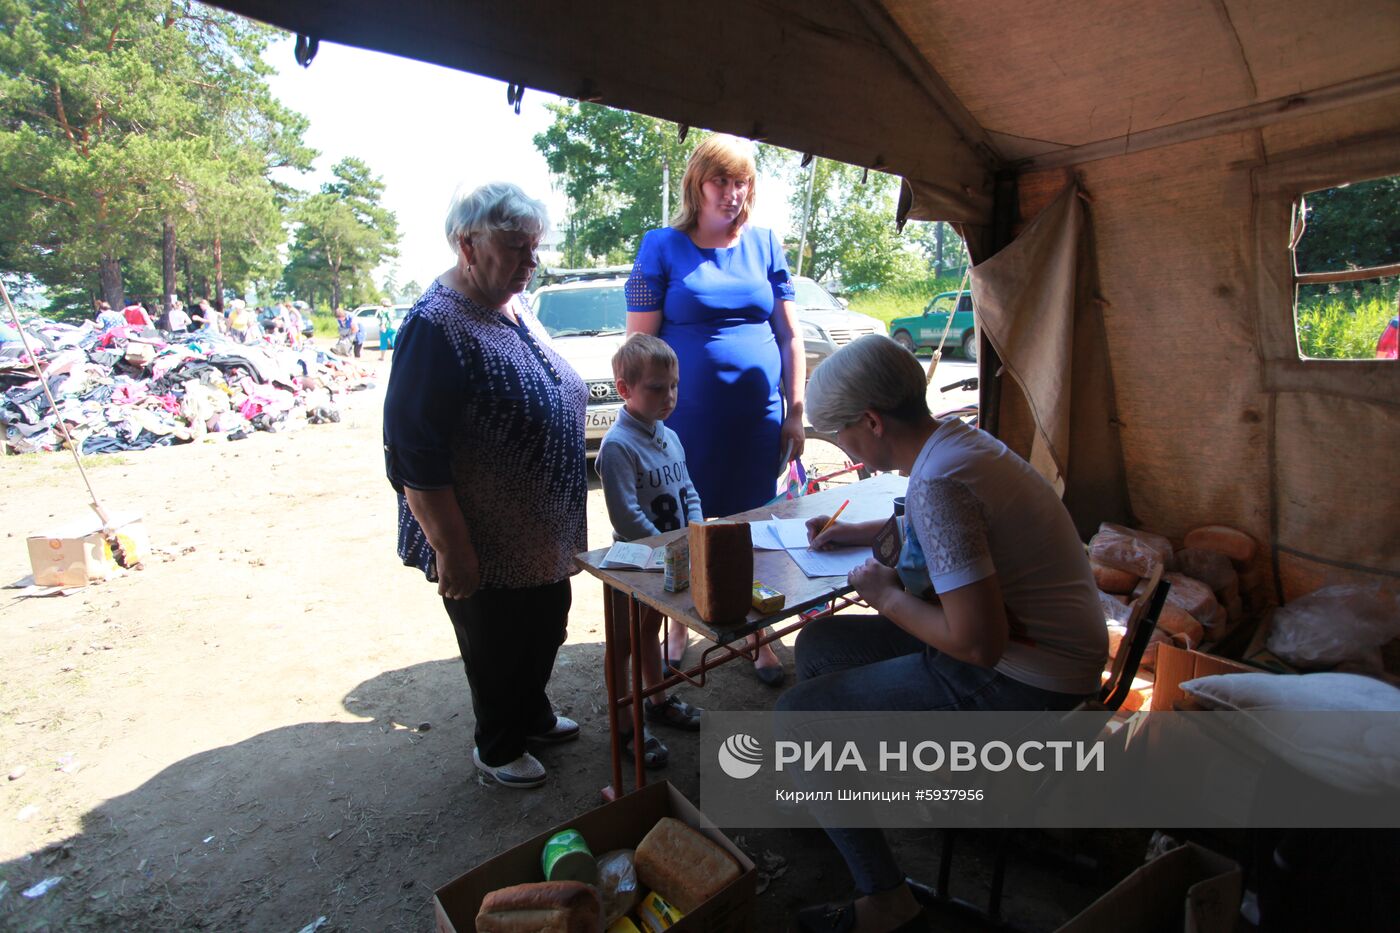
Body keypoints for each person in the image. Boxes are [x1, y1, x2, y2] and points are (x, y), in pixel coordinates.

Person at [777, 335, 1109, 933]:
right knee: (820, 646)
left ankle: (886, 902)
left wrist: (887, 597)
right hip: (1049, 651)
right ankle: (838, 791)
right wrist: (861, 531)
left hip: (1027, 676)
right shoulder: (957, 444)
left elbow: (978, 644)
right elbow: (941, 529)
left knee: (796, 719)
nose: (844, 449)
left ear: (872, 421)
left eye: (843, 437)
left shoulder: (941, 483)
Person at [382, 182, 588, 789]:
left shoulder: (510, 303)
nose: (531, 261)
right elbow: (413, 453)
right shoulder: (435, 325)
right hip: (482, 537)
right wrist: (452, 547)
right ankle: (497, 746)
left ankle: (531, 712)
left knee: (547, 623)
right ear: (467, 244)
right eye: (517, 248)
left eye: (534, 248)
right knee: (496, 644)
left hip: (537, 529)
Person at [625, 133, 805, 685]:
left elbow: (789, 337)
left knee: (754, 524)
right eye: (720, 181)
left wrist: (795, 410)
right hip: (683, 426)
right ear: (696, 184)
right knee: (686, 524)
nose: (732, 193)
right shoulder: (660, 246)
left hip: (756, 423)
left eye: (742, 181)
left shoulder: (768, 243)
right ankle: (680, 631)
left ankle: (760, 637)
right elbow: (640, 351)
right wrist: (643, 425)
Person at [595, 333, 705, 769]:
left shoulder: (670, 436)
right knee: (621, 642)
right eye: (657, 388)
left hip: (674, 557)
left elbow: (688, 489)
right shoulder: (619, 446)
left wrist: (696, 532)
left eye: (674, 385)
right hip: (637, 563)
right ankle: (624, 723)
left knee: (649, 631)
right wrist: (667, 555)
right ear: (624, 389)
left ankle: (657, 700)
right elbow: (627, 519)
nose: (669, 396)